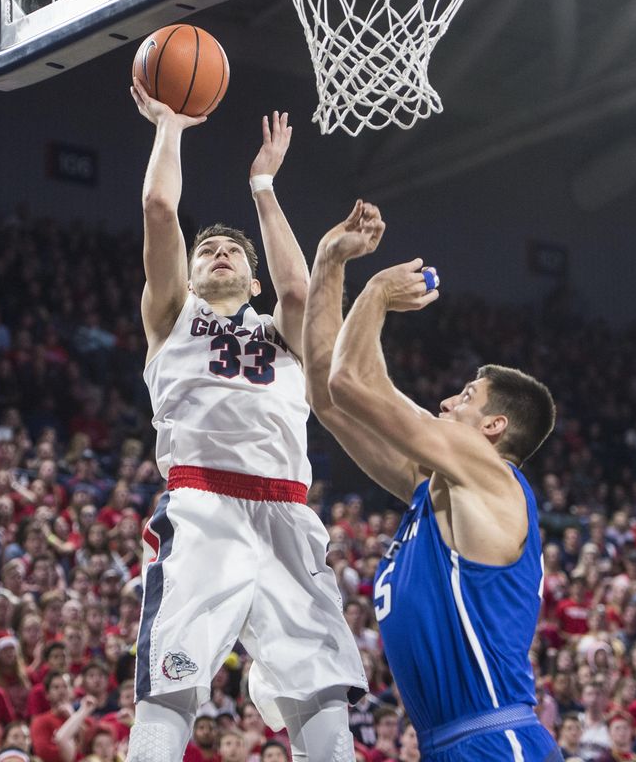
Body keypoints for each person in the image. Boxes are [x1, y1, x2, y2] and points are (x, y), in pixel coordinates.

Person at [125, 80, 364, 761]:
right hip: (204, 506)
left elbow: (299, 288)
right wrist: (169, 127)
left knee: (318, 687)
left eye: (233, 252)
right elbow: (158, 207)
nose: (220, 253)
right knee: (171, 679)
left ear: (250, 283)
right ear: (193, 277)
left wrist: (263, 186)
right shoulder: (174, 316)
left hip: (287, 508)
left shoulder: (280, 328)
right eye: (208, 252)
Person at [302, 201, 559, 760]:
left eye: (466, 396)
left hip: (496, 742)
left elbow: (350, 381)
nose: (446, 400)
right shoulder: (439, 492)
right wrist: (328, 261)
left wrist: (375, 294)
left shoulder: (491, 474)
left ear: (494, 427)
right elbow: (325, 394)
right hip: (445, 744)